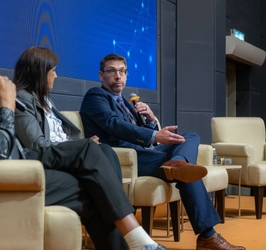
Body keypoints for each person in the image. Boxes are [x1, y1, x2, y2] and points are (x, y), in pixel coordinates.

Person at [0, 7, 170, 250]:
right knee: (90, 178)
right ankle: (139, 241)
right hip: (9, 170)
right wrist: (7, 105)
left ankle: (138, 242)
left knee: (95, 172)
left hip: (16, 162)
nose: (56, 75)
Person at [79, 53, 246, 250]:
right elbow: (112, 124)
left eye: (122, 71)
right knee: (186, 173)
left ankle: (177, 163)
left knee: (189, 136)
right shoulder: (96, 96)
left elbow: (145, 133)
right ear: (101, 75)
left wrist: (150, 120)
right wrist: (154, 136)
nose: (118, 76)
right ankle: (208, 236)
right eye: (112, 71)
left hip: (146, 152)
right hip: (127, 158)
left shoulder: (125, 102)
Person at [13, 46, 122, 182]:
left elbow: (61, 135)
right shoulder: (22, 98)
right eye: (53, 71)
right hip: (50, 156)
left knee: (105, 150)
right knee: (100, 152)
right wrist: (80, 146)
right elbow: (36, 144)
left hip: (65, 152)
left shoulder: (46, 100)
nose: (56, 75)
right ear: (40, 72)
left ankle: (115, 201)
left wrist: (82, 144)